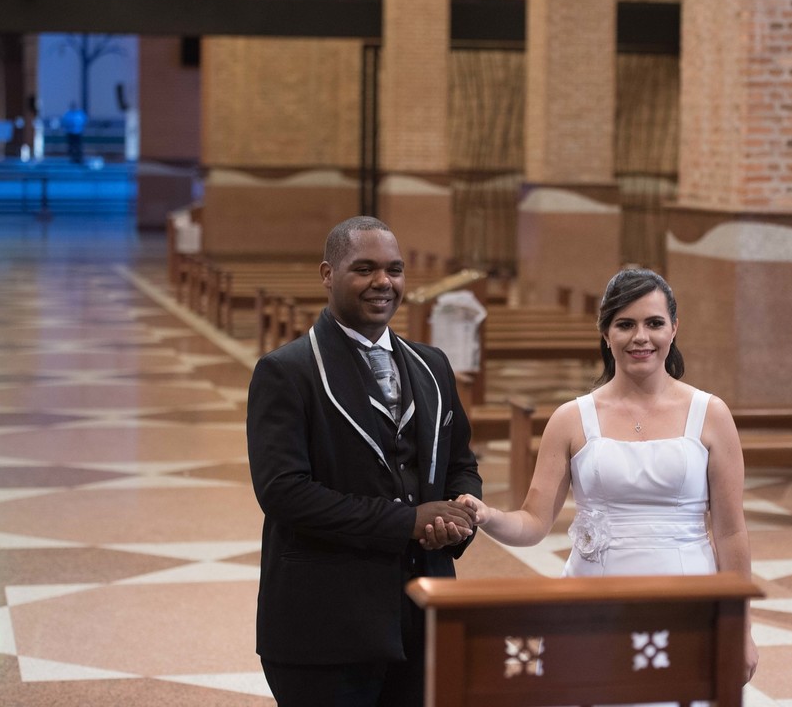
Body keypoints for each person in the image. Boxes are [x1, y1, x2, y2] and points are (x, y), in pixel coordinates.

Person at [458, 268, 759, 684]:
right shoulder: (570, 419)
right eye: (625, 324)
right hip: (594, 595)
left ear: (674, 328)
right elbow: (532, 523)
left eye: (654, 323)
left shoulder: (711, 414)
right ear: (605, 333)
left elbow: (730, 532)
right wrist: (488, 516)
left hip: (687, 596)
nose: (641, 337)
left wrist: (741, 627)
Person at [246, 215, 481, 707]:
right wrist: (408, 521)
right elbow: (285, 493)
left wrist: (460, 512)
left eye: (394, 269)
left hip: (423, 611)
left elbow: (461, 460)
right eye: (365, 268)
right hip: (326, 622)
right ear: (328, 275)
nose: (383, 283)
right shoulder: (287, 372)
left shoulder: (432, 364)